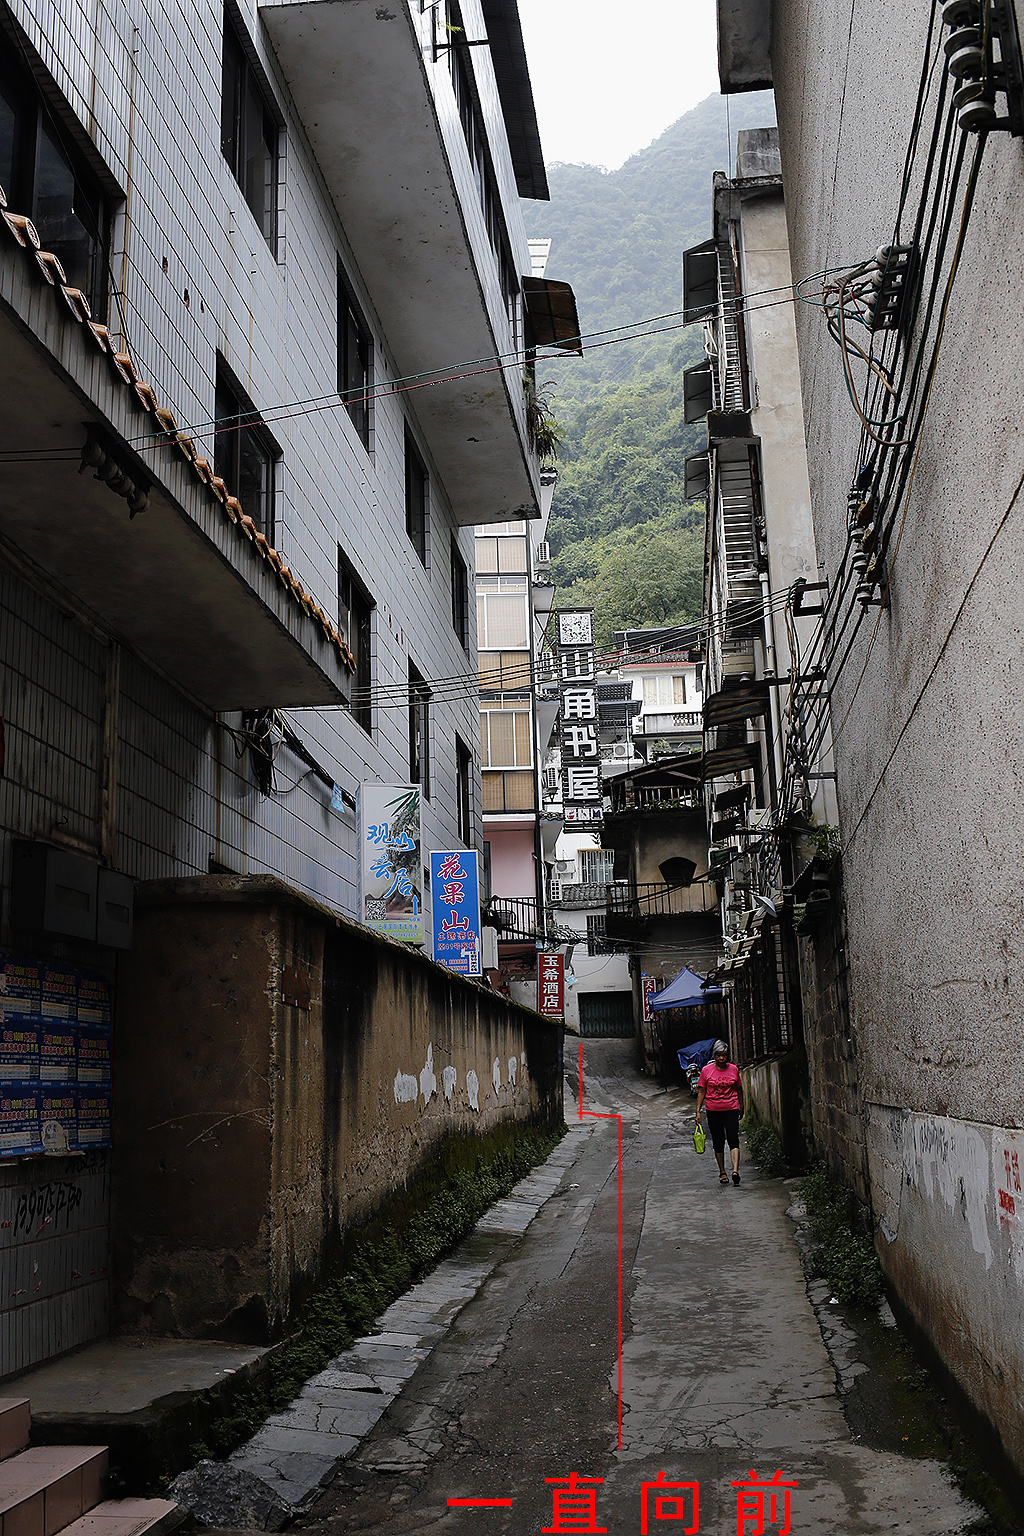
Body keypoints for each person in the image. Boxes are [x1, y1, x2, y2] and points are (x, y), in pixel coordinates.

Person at [695, 1039, 744, 1185]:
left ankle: (735, 1171)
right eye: (718, 1055)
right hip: (713, 1110)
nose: (721, 1058)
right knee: (718, 1141)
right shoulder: (706, 1071)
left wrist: (741, 1104)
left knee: (733, 1138)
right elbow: (702, 1091)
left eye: (724, 1055)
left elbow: (739, 1088)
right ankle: (722, 1172)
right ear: (714, 1056)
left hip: (731, 1108)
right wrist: (698, 1111)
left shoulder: (733, 1069)